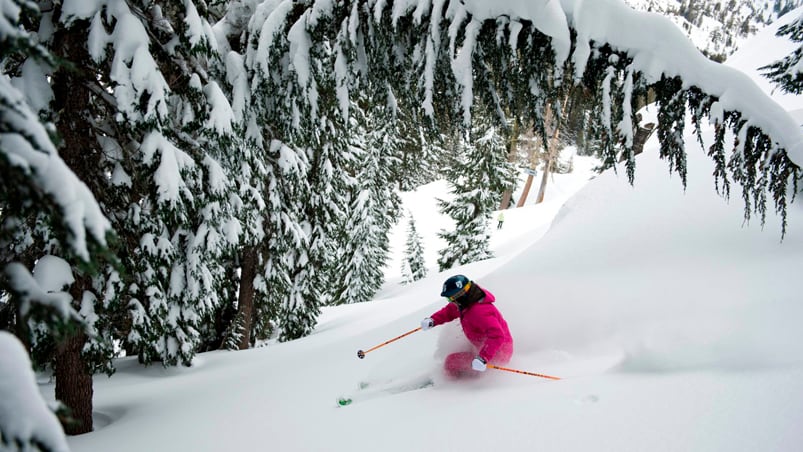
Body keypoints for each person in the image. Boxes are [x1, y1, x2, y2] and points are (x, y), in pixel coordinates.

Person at [420, 275, 513, 379]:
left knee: (450, 362)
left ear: (461, 294)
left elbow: (497, 336)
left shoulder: (479, 311)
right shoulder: (466, 303)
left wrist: (483, 358)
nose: (451, 301)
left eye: (451, 298)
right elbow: (449, 311)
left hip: (497, 354)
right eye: (448, 298)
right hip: (485, 348)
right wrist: (433, 320)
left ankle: (452, 389)